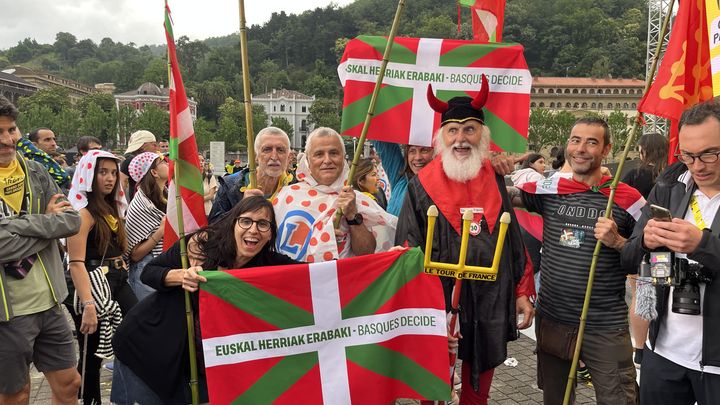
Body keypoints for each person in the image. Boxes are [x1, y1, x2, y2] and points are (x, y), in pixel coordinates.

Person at [396, 83, 535, 404]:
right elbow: (407, 243)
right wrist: (413, 299)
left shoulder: (495, 176)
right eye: (453, 130)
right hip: (438, 297)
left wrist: (522, 290)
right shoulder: (421, 185)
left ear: (482, 135)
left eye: (470, 130)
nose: (461, 138)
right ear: (441, 138)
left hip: (489, 296)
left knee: (478, 388)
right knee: (432, 385)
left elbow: (513, 239)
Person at [111, 196, 299, 404]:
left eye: (263, 224)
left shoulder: (269, 264)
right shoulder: (201, 244)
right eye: (246, 221)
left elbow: (312, 274)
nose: (254, 230)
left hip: (199, 365)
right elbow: (149, 272)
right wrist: (182, 276)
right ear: (233, 223)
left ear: (271, 232)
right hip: (147, 348)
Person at [509, 117, 644, 405]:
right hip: (554, 318)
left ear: (607, 149)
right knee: (556, 399)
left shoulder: (626, 198)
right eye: (575, 140)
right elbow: (503, 198)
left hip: (605, 325)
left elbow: (652, 255)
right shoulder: (551, 189)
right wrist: (494, 169)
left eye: (591, 142)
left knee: (619, 399)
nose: (581, 149)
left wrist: (619, 242)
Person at [622, 101, 720, 404]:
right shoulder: (668, 185)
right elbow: (627, 258)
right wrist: (645, 242)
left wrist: (702, 245)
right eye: (688, 155)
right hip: (662, 352)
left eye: (709, 153)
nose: (697, 165)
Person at [0, 96, 81, 405]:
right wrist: (46, 226)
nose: (8, 140)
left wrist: (16, 227)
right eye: (0, 133)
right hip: (7, 312)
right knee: (16, 394)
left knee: (70, 383)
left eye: (12, 130)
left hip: (49, 302)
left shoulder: (35, 171)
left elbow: (71, 220)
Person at [67, 150, 138, 404]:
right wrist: (88, 305)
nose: (109, 178)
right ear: (88, 174)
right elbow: (75, 263)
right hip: (93, 284)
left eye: (112, 172)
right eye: (102, 172)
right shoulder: (82, 213)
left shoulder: (112, 208)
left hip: (118, 280)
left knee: (137, 327)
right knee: (91, 357)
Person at [274, 127, 397, 263]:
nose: (327, 160)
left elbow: (367, 253)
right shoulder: (286, 196)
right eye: (319, 154)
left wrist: (352, 216)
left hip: (343, 281)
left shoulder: (357, 200)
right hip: (295, 280)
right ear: (308, 159)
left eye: (334, 153)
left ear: (343, 158)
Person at [619, 132, 669, 367]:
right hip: (666, 246)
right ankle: (661, 343)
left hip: (640, 243)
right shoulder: (672, 176)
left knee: (641, 294)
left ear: (644, 151)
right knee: (663, 294)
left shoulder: (635, 173)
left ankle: (639, 349)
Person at [209, 127, 294, 222]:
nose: (274, 157)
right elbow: (213, 228)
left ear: (289, 156)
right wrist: (241, 208)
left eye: (280, 150)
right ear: (255, 156)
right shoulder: (230, 185)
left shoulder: (297, 188)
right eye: (267, 149)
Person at [124, 152, 168, 301]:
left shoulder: (166, 195)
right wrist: (161, 231)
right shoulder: (141, 206)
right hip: (146, 271)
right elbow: (135, 254)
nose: (168, 163)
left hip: (162, 266)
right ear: (154, 172)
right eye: (162, 162)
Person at [373, 140, 434, 216]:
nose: (418, 157)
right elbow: (381, 139)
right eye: (412, 151)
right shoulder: (400, 178)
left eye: (424, 150)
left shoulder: (445, 186)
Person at [120, 130, 158, 202]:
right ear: (143, 146)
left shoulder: (156, 159)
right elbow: (122, 184)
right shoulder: (129, 160)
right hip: (138, 205)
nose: (156, 148)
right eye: (154, 145)